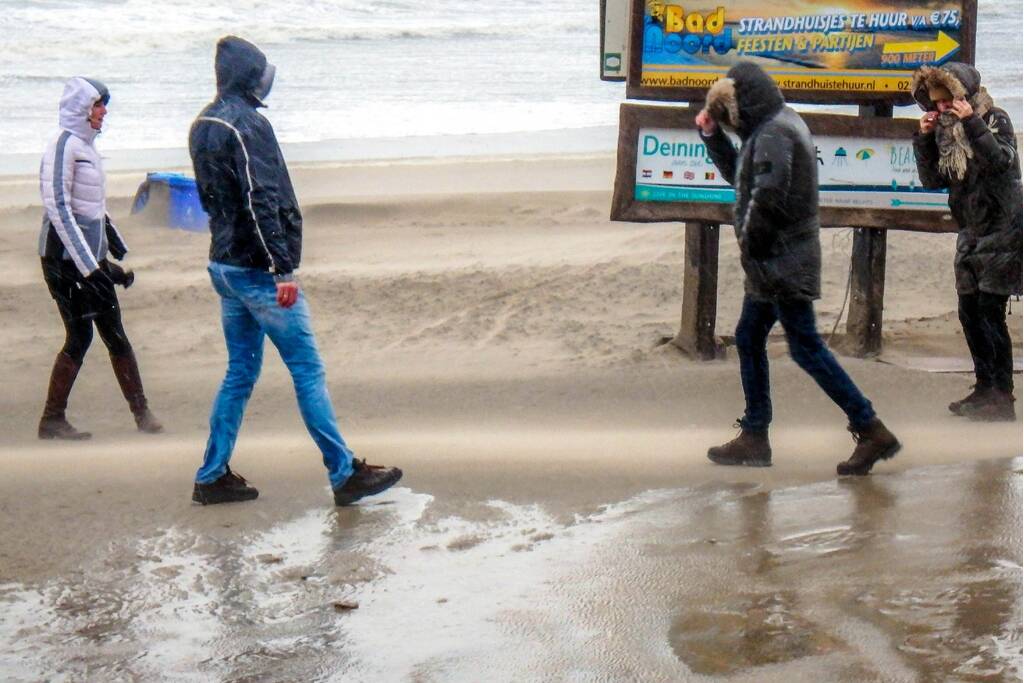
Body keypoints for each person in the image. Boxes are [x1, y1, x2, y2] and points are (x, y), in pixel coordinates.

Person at [188, 36, 402, 505]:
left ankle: (211, 475)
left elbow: (212, 198)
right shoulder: (249, 126)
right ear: (249, 77)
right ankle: (344, 473)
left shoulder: (202, 123)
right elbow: (259, 197)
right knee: (306, 370)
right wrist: (282, 268)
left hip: (223, 265)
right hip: (259, 271)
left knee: (239, 372)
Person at [694, 61, 901, 476]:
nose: (730, 119)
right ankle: (755, 434)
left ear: (744, 102)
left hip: (782, 260)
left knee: (806, 347)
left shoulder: (774, 133)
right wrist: (712, 136)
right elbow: (743, 178)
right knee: (749, 336)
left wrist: (750, 246)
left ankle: (870, 428)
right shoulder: (773, 126)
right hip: (777, 260)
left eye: (728, 112)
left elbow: (768, 197)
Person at [38, 76, 163, 440]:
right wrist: (90, 268)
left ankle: (141, 415)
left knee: (111, 334)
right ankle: (53, 419)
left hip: (85, 261)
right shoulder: (63, 147)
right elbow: (59, 210)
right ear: (81, 107)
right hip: (62, 260)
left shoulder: (86, 147)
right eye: (98, 104)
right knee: (82, 336)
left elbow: (93, 209)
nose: (104, 111)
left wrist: (110, 256)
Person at [911, 63, 1022, 421]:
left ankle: (1002, 395)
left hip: (1005, 226)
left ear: (964, 97)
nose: (943, 109)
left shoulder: (996, 119)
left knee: (991, 312)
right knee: (968, 311)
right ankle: (983, 387)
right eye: (937, 104)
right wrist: (925, 139)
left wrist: (973, 122)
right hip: (970, 228)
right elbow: (932, 180)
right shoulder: (945, 131)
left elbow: (1001, 162)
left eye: (948, 102)